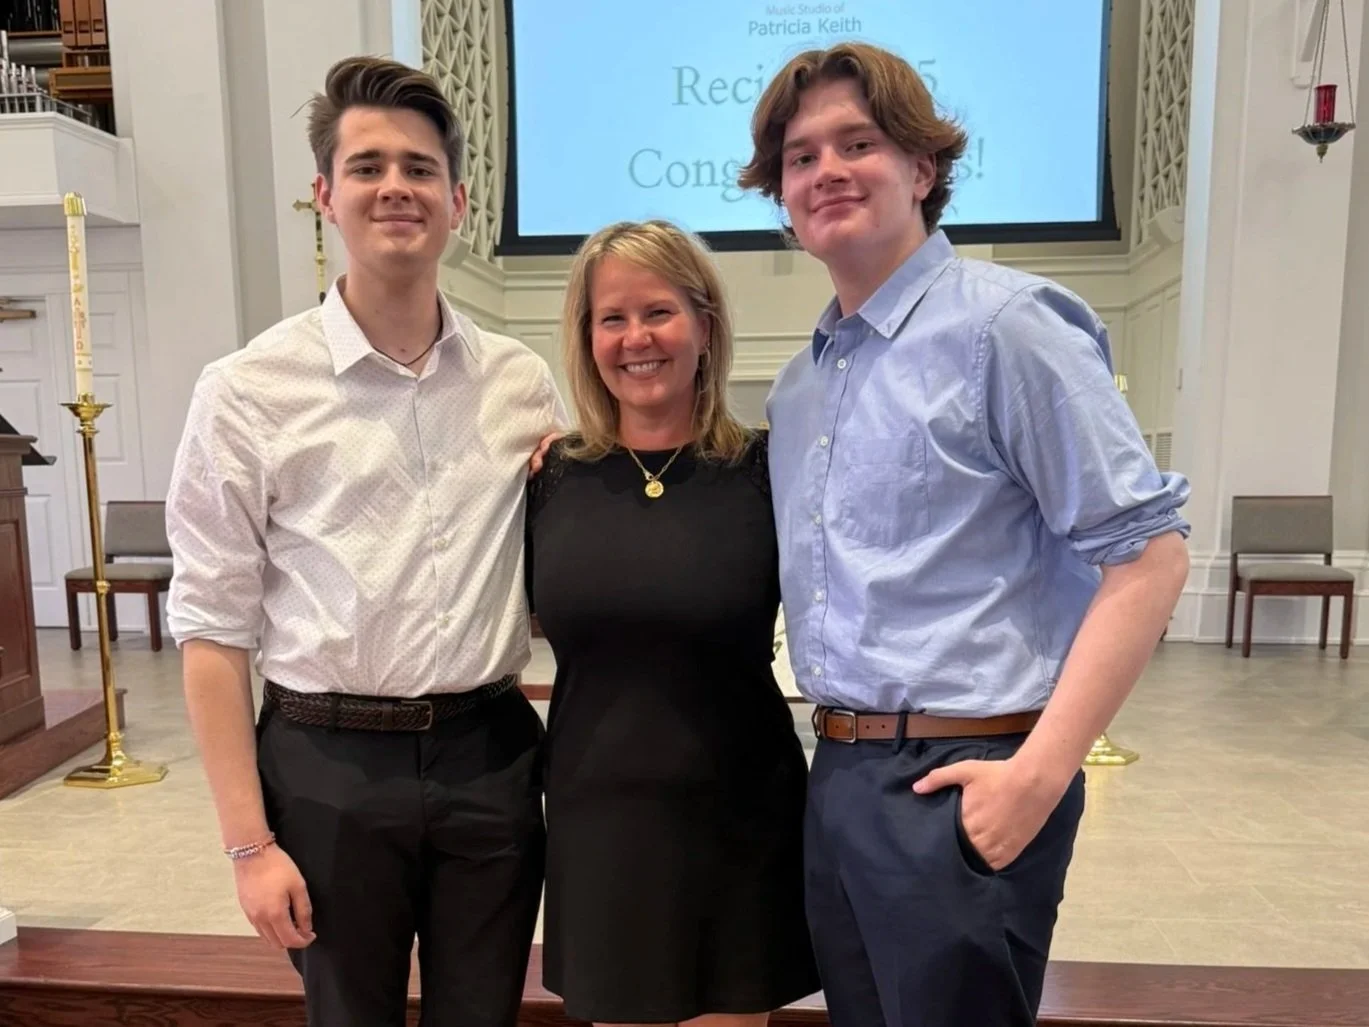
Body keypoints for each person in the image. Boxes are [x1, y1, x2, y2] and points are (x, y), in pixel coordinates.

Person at [737, 42, 1192, 1027]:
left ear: (921, 166)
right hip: (840, 767)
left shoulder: (1008, 329)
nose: (826, 171)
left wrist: (1039, 774)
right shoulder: (801, 385)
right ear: (781, 195)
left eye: (857, 143)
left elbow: (1149, 558)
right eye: (801, 157)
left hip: (965, 769)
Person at [165, 56, 564, 1027]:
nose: (395, 187)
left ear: (456, 201)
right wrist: (249, 844)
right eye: (367, 166)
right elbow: (212, 631)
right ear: (324, 195)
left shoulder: (519, 383)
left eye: (420, 168)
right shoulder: (247, 389)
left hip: (488, 753)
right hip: (325, 764)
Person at [525, 219, 820, 1027]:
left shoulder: (767, 469)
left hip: (739, 820)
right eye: (611, 318)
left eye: (658, 311)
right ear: (586, 338)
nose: (636, 338)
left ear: (704, 325)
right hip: (600, 826)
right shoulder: (550, 478)